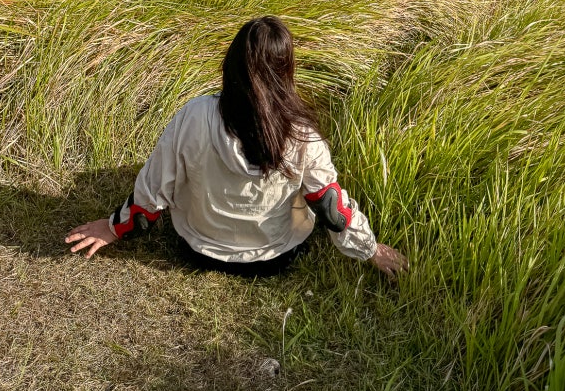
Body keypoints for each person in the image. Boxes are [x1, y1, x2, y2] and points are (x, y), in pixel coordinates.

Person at [64, 15, 406, 279]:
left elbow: (153, 193)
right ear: (287, 71)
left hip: (198, 251)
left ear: (232, 64)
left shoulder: (195, 115)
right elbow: (331, 208)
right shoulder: (302, 135)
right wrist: (370, 249)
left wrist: (113, 228)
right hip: (275, 260)